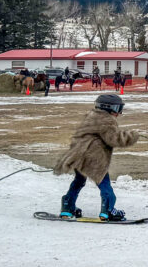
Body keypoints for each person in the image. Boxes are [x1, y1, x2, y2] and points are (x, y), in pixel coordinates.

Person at [55, 93, 139, 221]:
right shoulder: (107, 120)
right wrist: (131, 136)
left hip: (79, 156)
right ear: (108, 108)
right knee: (104, 183)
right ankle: (108, 210)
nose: (119, 113)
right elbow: (114, 139)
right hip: (94, 158)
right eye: (117, 109)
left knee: (79, 181)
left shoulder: (91, 117)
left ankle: (67, 206)